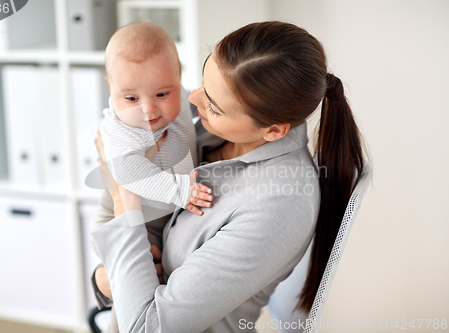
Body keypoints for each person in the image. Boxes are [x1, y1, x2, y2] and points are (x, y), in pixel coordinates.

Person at [92, 21, 364, 333]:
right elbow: (134, 221)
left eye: (214, 105)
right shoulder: (213, 133)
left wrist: (123, 200)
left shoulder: (279, 204)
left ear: (274, 130)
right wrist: (104, 278)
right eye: (203, 84)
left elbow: (146, 328)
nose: (192, 99)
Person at [96, 22, 213, 231]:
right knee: (138, 252)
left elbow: (198, 102)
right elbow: (130, 173)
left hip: (169, 211)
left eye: (161, 94)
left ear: (178, 78)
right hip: (139, 216)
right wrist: (181, 191)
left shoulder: (180, 97)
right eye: (132, 98)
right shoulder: (120, 129)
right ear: (110, 87)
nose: (148, 109)